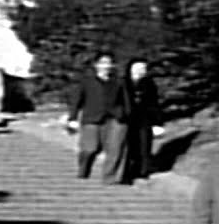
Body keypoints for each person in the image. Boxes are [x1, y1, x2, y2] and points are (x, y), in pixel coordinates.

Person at [65, 52, 130, 183]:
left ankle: (109, 177)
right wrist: (72, 118)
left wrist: (126, 114)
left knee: (114, 149)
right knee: (90, 148)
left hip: (114, 118)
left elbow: (126, 100)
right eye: (102, 63)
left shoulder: (119, 81)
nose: (106, 66)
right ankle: (84, 168)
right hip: (92, 118)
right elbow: (76, 100)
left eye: (108, 63)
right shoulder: (86, 81)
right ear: (96, 65)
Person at [122, 58, 162, 183]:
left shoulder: (150, 84)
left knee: (144, 145)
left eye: (143, 68)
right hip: (125, 118)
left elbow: (154, 104)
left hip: (144, 119)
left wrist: (157, 122)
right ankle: (126, 171)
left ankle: (142, 171)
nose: (140, 71)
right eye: (137, 68)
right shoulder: (123, 82)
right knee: (127, 145)